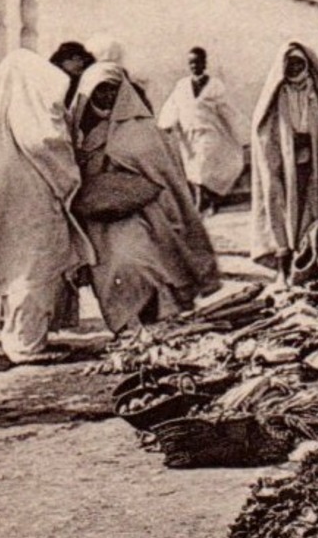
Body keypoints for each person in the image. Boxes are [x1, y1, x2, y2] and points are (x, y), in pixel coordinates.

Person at [69, 63, 220, 336]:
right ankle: (128, 328)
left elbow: (165, 178)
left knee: (138, 263)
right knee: (108, 274)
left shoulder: (143, 128)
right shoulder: (75, 131)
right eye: (99, 91)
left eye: (112, 91)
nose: (106, 98)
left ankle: (154, 323)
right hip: (97, 219)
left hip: (142, 214)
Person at [0, 49, 88, 364]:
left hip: (11, 197)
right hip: (35, 201)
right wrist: (70, 179)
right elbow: (48, 146)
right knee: (34, 271)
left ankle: (25, 338)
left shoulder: (3, 109)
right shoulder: (33, 120)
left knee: (18, 268)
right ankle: (25, 344)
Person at [249, 42, 318, 283]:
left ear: (308, 65)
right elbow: (262, 129)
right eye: (290, 64)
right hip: (284, 166)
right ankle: (285, 264)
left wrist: (312, 140)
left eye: (299, 63)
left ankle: (311, 262)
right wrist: (283, 144)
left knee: (314, 208)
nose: (295, 68)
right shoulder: (276, 95)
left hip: (315, 162)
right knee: (284, 210)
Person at [157, 47, 246, 216]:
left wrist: (240, 132)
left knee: (203, 167)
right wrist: (167, 124)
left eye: (197, 62)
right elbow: (173, 105)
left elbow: (227, 109)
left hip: (210, 133)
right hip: (189, 135)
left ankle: (204, 202)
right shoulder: (182, 85)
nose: (194, 66)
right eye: (191, 62)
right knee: (194, 170)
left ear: (204, 63)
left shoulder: (215, 85)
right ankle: (205, 201)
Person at [48, 41, 96, 106]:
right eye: (78, 59)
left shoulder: (73, 78)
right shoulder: (54, 76)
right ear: (66, 60)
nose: (81, 64)